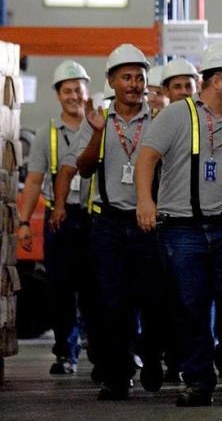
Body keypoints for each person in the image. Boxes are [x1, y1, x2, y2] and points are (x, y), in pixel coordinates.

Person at [134, 41, 222, 406]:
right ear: (218, 80)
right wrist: (146, 201)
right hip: (181, 228)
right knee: (190, 304)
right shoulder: (177, 115)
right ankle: (198, 380)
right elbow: (147, 157)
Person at [57, 44, 169, 401]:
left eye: (139, 77)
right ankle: (119, 375)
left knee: (153, 299)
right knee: (112, 301)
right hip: (109, 223)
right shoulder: (98, 121)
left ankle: (151, 357)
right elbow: (84, 167)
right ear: (111, 81)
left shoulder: (160, 121)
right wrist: (97, 133)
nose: (134, 84)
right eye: (126, 77)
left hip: (150, 222)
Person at [18, 60, 96, 376]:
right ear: (58, 95)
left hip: (95, 217)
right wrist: (24, 223)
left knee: (97, 289)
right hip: (59, 219)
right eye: (67, 90)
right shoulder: (45, 135)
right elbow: (34, 180)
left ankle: (102, 353)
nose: (74, 95)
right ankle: (66, 353)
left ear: (87, 91)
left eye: (78, 89)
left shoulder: (102, 128)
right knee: (61, 288)